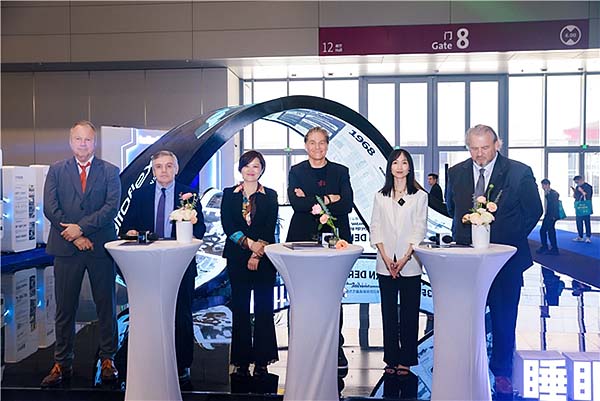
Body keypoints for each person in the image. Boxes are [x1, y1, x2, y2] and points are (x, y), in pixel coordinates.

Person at [445, 124, 542, 396]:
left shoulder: (518, 172)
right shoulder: (456, 172)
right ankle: (465, 367)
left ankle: (502, 372)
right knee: (466, 318)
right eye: (474, 148)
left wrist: (506, 239)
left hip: (506, 261)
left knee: (504, 318)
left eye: (485, 148)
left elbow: (534, 211)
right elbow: (452, 209)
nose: (479, 154)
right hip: (466, 261)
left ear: (497, 144)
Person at [42, 120, 121, 387]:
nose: (83, 144)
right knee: (64, 308)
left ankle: (108, 358)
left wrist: (82, 229)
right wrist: (75, 236)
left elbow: (111, 207)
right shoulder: (56, 171)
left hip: (99, 247)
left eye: (87, 139)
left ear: (94, 142)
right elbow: (50, 208)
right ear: (70, 141)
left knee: (106, 304)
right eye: (78, 139)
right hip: (66, 248)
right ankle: (62, 362)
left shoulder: (110, 171)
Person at [120, 150, 206, 388]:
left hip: (181, 265)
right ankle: (150, 357)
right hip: (148, 265)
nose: (164, 170)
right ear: (153, 170)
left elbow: (200, 230)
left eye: (169, 166)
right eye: (159, 166)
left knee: (181, 313)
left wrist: (192, 225)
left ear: (176, 169)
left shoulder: (188, 194)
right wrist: (130, 232)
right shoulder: (141, 194)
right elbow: (126, 226)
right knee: (150, 313)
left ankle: (182, 364)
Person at [286, 126, 354, 369]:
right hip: (302, 238)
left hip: (336, 240)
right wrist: (329, 198)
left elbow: (347, 204)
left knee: (333, 294)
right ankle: (305, 345)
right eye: (312, 142)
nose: (317, 147)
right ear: (306, 145)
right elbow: (296, 204)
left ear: (327, 145)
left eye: (322, 142)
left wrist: (312, 198)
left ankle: (336, 346)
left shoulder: (340, 171)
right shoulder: (296, 171)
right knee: (304, 295)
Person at [221, 150, 279, 377]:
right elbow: (228, 226)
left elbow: (269, 226)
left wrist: (257, 254)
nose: (251, 170)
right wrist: (249, 245)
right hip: (237, 258)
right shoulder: (229, 194)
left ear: (262, 169)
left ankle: (263, 361)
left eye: (256, 166)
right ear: (240, 169)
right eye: (247, 165)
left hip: (264, 260)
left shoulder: (270, 195)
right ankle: (241, 361)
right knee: (240, 308)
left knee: (264, 308)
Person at [370, 149, 428, 377]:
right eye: (395, 163)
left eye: (404, 163)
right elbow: (375, 227)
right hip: (385, 262)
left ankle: (407, 359)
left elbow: (419, 228)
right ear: (390, 167)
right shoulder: (380, 196)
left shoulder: (420, 196)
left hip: (410, 262)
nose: (400, 167)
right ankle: (391, 358)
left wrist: (404, 258)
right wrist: (386, 257)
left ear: (410, 167)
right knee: (388, 312)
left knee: (409, 313)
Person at [536, 179, 560, 255]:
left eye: (543, 185)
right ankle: (550, 248)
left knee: (546, 231)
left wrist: (553, 216)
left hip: (551, 216)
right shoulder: (548, 193)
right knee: (548, 231)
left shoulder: (553, 194)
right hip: (548, 215)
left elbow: (554, 206)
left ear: (547, 185)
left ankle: (550, 248)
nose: (542, 187)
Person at [571, 175, 593, 243]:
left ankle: (588, 237)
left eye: (577, 182)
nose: (577, 184)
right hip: (579, 207)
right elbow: (576, 197)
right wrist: (574, 192)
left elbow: (588, 196)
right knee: (579, 221)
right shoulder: (577, 187)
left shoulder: (588, 187)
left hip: (585, 206)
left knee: (587, 221)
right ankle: (580, 236)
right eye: (576, 183)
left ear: (581, 180)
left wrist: (582, 191)